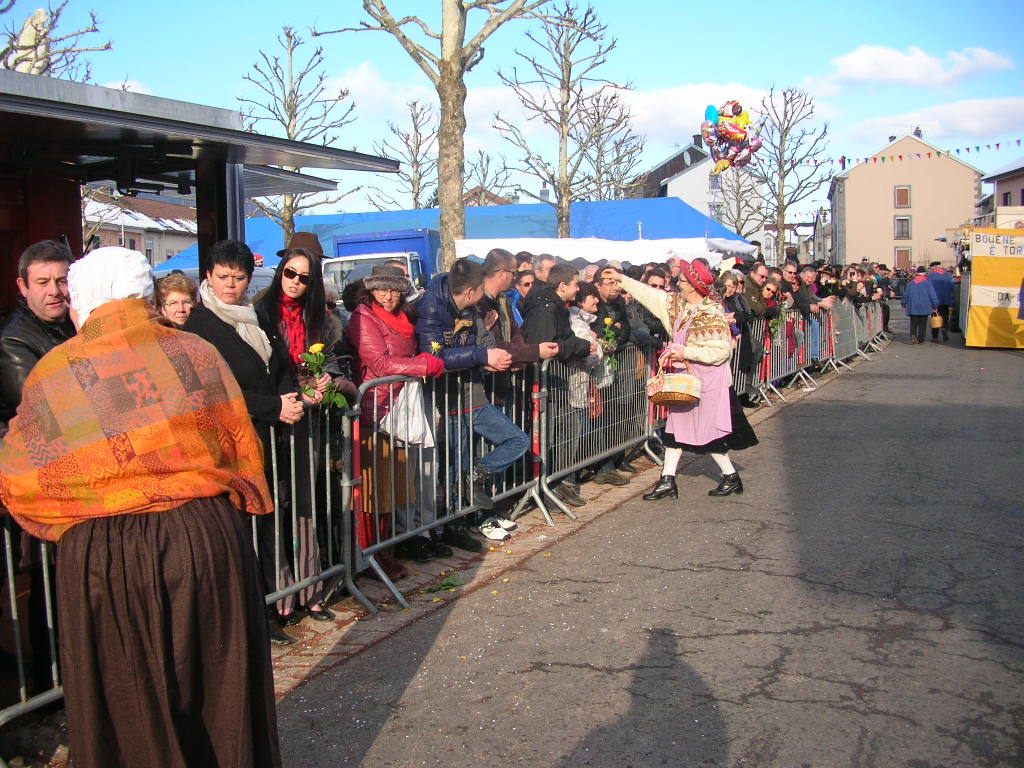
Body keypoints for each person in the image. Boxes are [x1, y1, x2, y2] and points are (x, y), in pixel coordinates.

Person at [0, 246, 280, 768]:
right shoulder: (195, 352)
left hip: (106, 555)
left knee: (127, 703)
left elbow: (22, 474)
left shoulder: (56, 371)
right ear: (145, 297)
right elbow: (238, 441)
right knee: (220, 694)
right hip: (204, 539)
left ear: (84, 303)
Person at [182, 240, 305, 645]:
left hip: (268, 435)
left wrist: (289, 399)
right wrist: (273, 407)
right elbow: (214, 390)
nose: (231, 285)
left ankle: (275, 602)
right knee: (245, 530)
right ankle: (255, 615)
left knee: (269, 521)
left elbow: (280, 363)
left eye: (238, 277)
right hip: (233, 443)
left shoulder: (255, 316)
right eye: (223, 277)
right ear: (209, 277)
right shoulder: (200, 325)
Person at [622, 259, 758, 499]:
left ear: (694, 286)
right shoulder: (682, 307)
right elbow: (655, 298)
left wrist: (685, 352)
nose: (678, 285)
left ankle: (730, 476)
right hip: (689, 380)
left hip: (707, 383)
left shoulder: (712, 314)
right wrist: (622, 280)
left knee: (706, 433)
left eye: (682, 282)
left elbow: (720, 352)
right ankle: (668, 480)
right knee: (677, 430)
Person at [415, 259, 529, 544]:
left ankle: (477, 478)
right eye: (481, 290)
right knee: (454, 467)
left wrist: (494, 359)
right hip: (448, 401)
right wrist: (481, 357)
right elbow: (435, 358)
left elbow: (485, 345)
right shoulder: (430, 307)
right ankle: (456, 526)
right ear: (470, 291)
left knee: (518, 440)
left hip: (475, 396)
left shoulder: (471, 308)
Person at [255, 247, 337, 625]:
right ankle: (281, 593)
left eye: (304, 278)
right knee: (274, 507)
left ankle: (310, 589)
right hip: (274, 418)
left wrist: (328, 379)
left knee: (306, 504)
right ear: (280, 271)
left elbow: (340, 364)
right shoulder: (260, 313)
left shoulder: (318, 317)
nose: (295, 283)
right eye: (290, 273)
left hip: (308, 419)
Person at [347, 265, 447, 569]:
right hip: (380, 406)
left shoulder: (405, 317)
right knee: (390, 481)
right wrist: (423, 365)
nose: (388, 296)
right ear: (370, 291)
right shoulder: (362, 318)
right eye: (381, 290)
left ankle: (418, 533)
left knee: (415, 473)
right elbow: (377, 362)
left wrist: (421, 364)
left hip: (406, 400)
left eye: (393, 289)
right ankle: (395, 543)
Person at [0, 240, 75, 433]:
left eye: (62, 281)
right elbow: (41, 411)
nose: (54, 292)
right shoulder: (11, 340)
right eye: (42, 282)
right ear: (23, 286)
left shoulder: (77, 319)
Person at [901, 266, 938, 344]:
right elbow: (932, 296)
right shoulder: (928, 283)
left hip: (913, 306)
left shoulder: (911, 283)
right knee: (923, 324)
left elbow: (906, 294)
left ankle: (913, 336)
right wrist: (934, 306)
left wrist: (904, 303)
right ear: (924, 273)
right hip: (925, 306)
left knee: (913, 322)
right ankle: (921, 338)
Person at [926, 262, 954, 342]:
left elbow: (928, 288)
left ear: (933, 268)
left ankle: (935, 337)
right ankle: (944, 328)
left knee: (935, 318)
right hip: (946, 300)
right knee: (945, 316)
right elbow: (952, 287)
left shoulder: (930, 276)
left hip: (935, 300)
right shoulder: (948, 275)